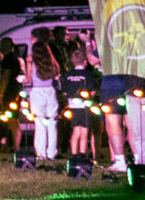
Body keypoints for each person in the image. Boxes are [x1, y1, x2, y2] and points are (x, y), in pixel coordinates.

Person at [60, 35, 103, 180]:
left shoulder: (69, 74)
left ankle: (73, 156)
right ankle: (82, 156)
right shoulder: (87, 74)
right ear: (85, 61)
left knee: (75, 131)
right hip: (84, 106)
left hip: (72, 106)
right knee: (84, 131)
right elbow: (92, 91)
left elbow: (65, 92)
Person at [26, 40, 61, 170]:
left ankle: (41, 153)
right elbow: (57, 75)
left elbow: (28, 79)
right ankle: (51, 153)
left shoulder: (32, 63)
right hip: (50, 91)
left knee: (39, 124)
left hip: (37, 92)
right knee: (52, 123)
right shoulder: (52, 63)